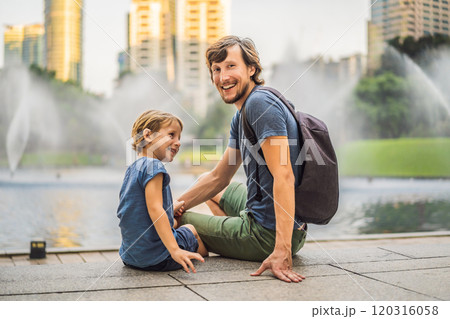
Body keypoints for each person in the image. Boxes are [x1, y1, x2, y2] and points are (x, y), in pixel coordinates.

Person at [176, 36, 307, 283]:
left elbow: (284, 175)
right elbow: (219, 177)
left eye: (231, 66)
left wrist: (282, 250)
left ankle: (225, 239)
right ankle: (226, 236)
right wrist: (171, 205)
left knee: (177, 220)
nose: (223, 77)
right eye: (216, 69)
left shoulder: (259, 104)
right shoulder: (243, 113)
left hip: (268, 234)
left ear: (251, 69)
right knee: (197, 188)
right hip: (266, 218)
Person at [117, 110, 208, 273]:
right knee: (192, 230)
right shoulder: (154, 166)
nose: (178, 142)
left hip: (130, 257)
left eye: (179, 137)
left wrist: (169, 210)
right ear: (148, 135)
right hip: (159, 259)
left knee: (173, 223)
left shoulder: (132, 169)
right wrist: (174, 250)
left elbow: (136, 211)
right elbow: (155, 209)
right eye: (172, 135)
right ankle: (191, 257)